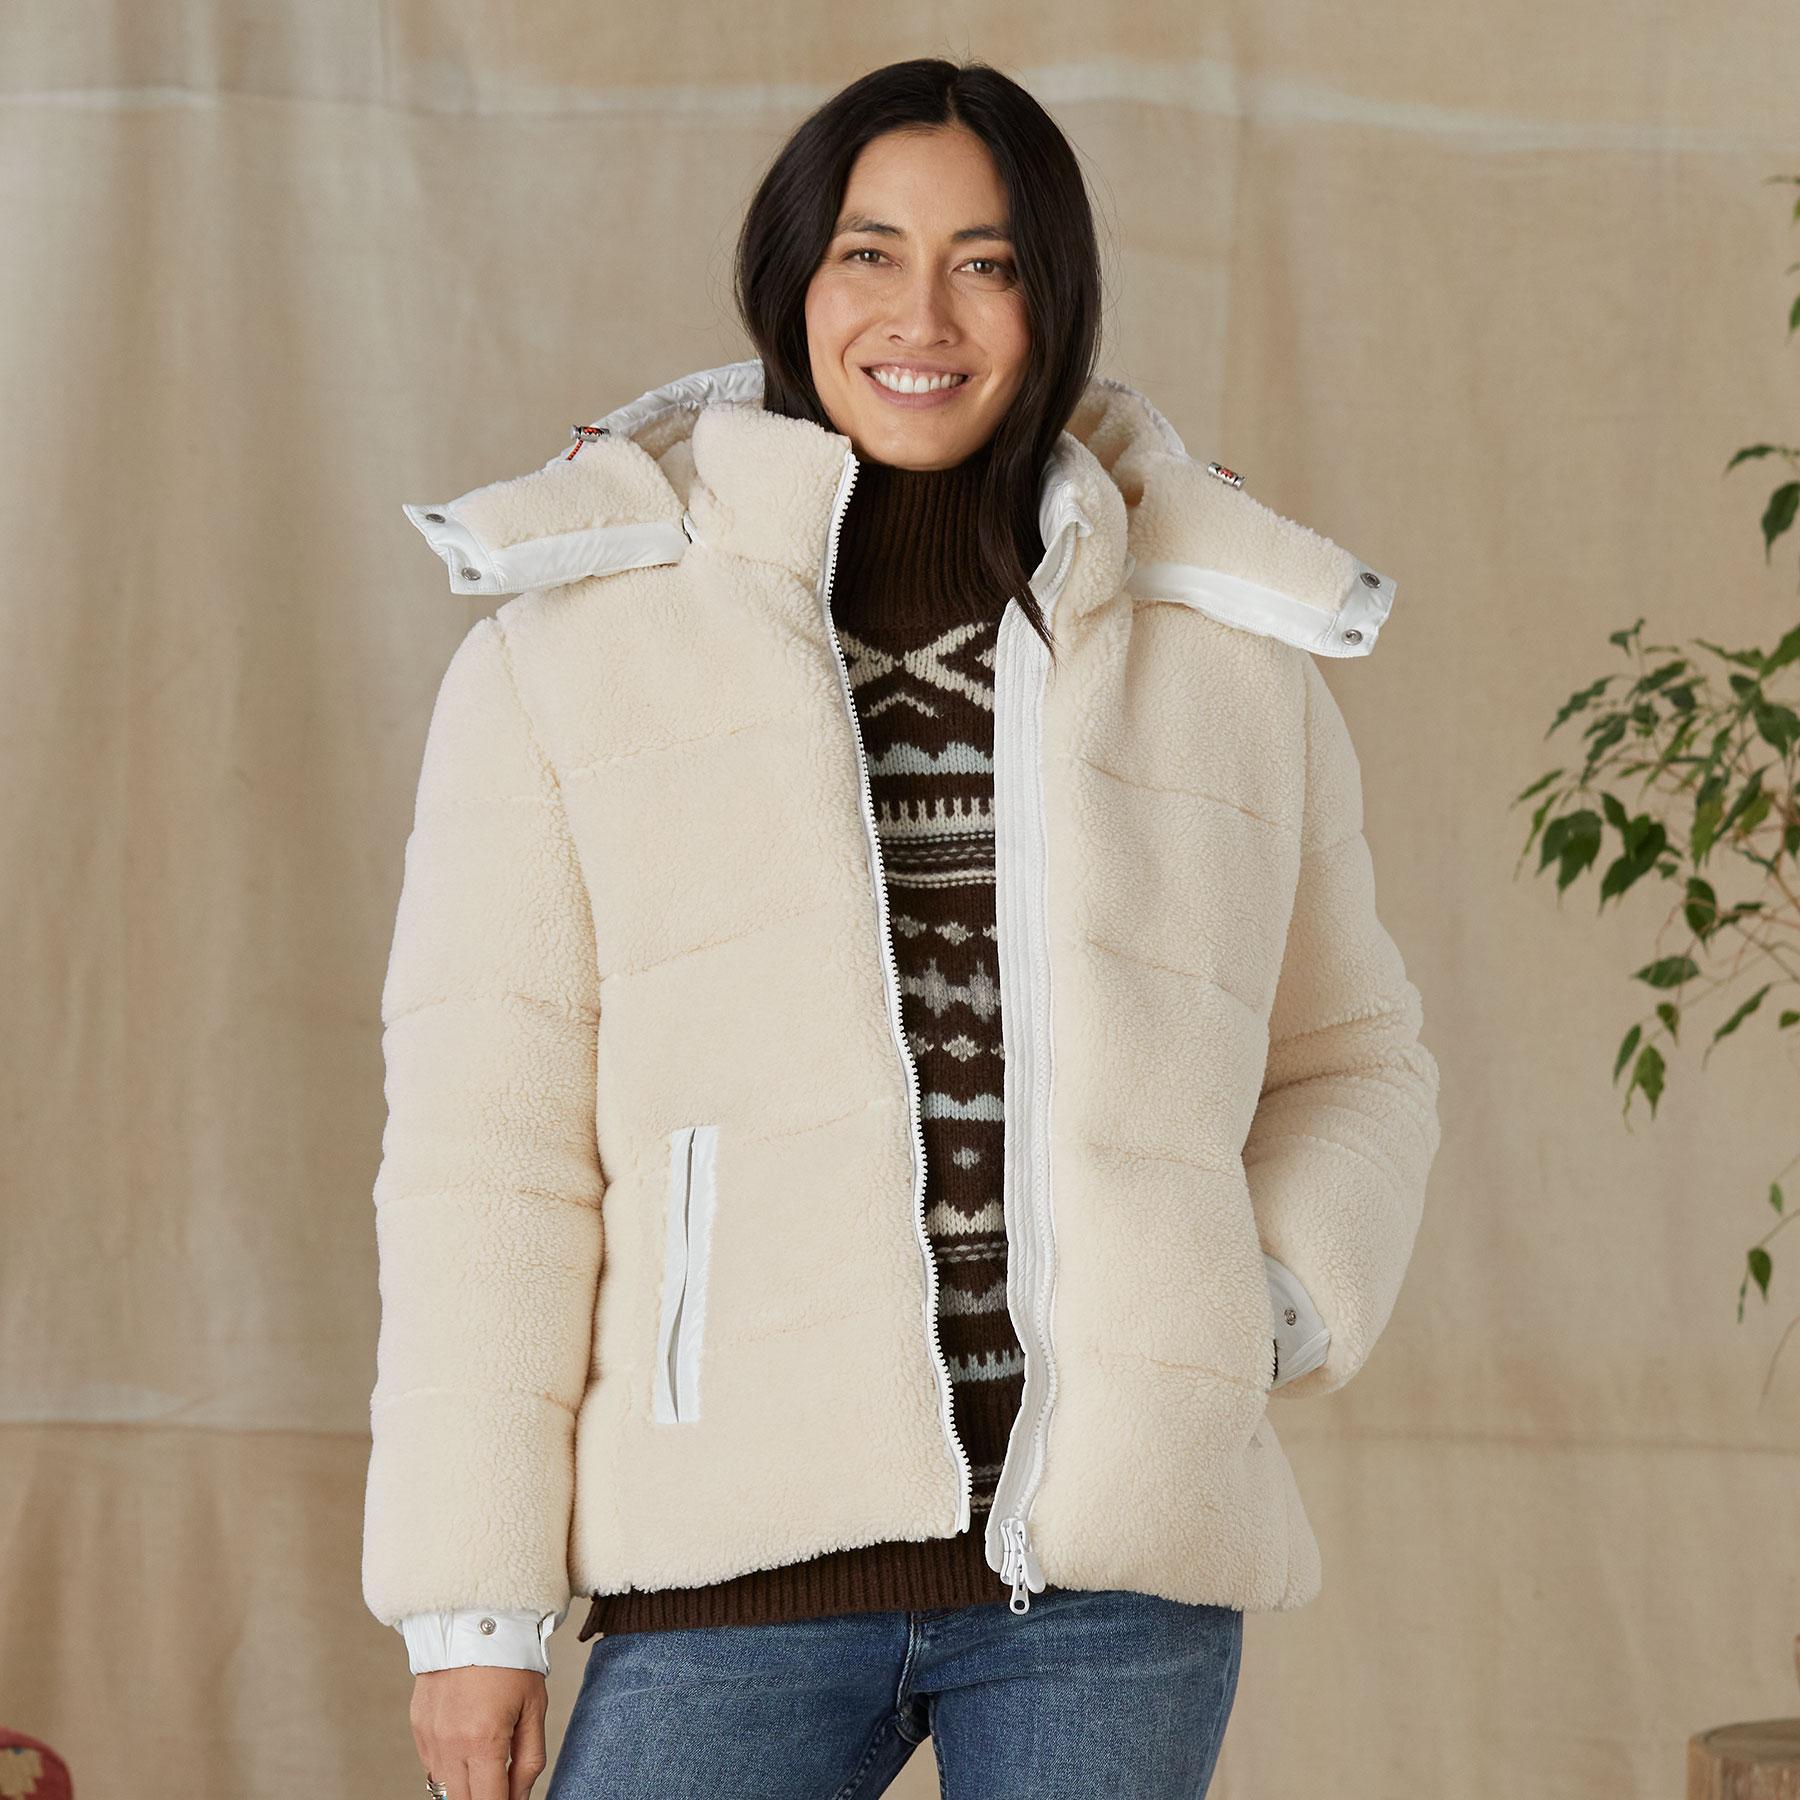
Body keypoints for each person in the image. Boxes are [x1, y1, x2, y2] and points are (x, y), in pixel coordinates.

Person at [362, 55, 1440, 1800]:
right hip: (732, 1553)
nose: (920, 315)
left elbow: (1355, 1056)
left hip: (1113, 1580)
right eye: (870, 252)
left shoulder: (1223, 655)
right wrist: (470, 1611)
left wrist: (1264, 1308)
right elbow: (488, 1155)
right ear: (793, 279)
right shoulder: (577, 650)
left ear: (1050, 299)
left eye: (984, 263)